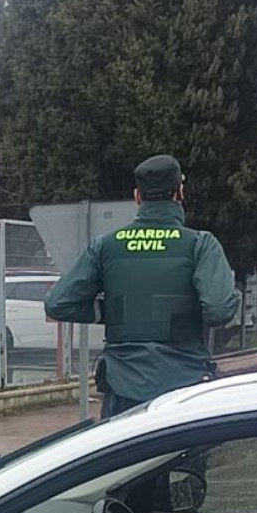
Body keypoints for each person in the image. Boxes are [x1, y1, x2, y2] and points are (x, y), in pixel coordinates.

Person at [45, 154, 240, 418]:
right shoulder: (200, 245)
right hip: (184, 391)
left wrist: (107, 311)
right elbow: (219, 311)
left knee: (125, 460)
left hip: (123, 392)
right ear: (180, 192)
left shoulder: (106, 246)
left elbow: (58, 304)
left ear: (137, 196)